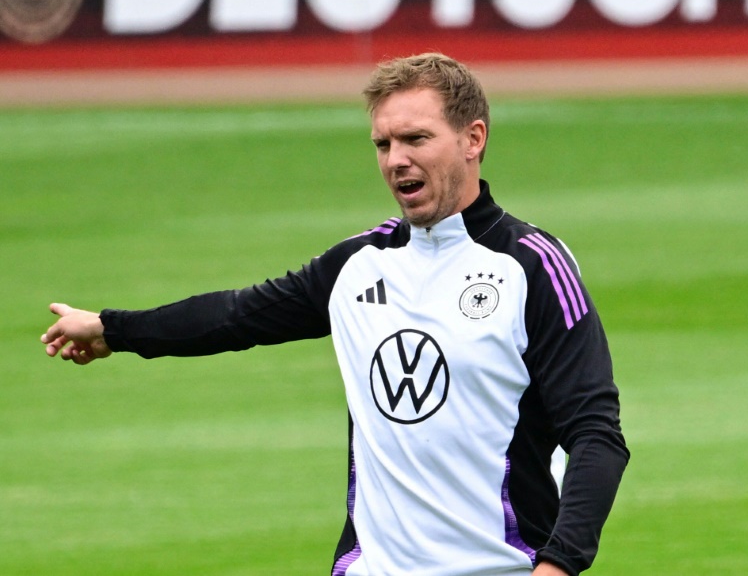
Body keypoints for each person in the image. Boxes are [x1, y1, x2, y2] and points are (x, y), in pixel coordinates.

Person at [41, 53, 629, 576]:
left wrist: (558, 566)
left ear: (473, 139)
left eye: (416, 139)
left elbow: (597, 435)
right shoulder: (358, 265)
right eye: (383, 144)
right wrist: (112, 328)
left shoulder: (532, 268)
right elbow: (237, 316)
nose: (396, 161)